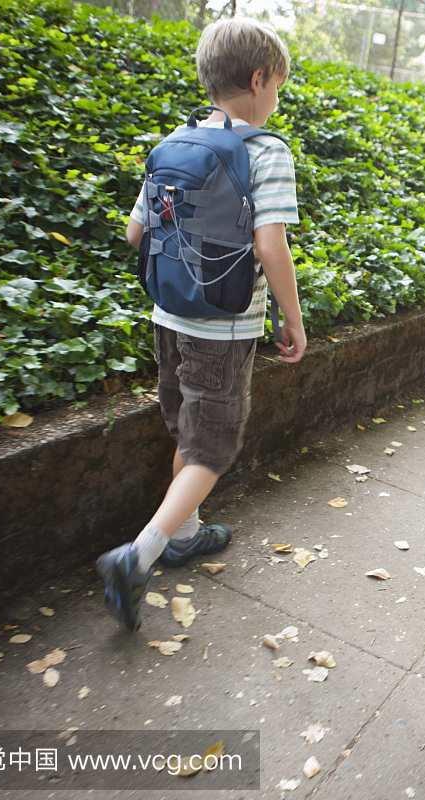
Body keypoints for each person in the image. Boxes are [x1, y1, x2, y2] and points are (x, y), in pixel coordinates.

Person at [96, 18, 307, 633]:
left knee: (188, 434)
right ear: (259, 79)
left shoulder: (173, 143)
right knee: (212, 447)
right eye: (277, 89)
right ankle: (136, 557)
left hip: (168, 314)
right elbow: (271, 247)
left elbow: (137, 232)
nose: (275, 101)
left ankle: (184, 534)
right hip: (225, 326)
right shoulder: (265, 152)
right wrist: (292, 321)